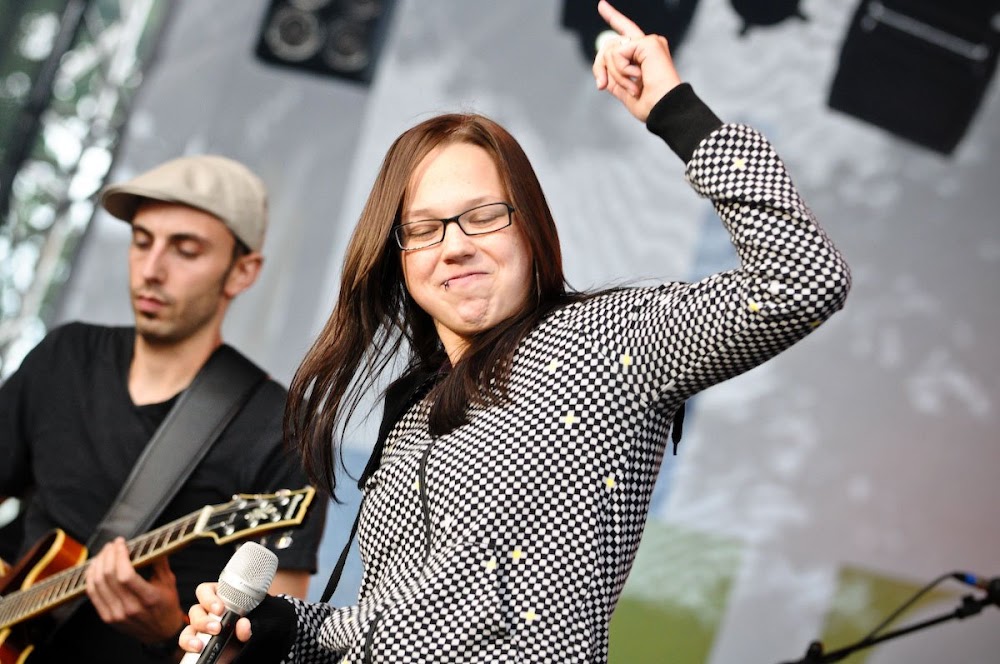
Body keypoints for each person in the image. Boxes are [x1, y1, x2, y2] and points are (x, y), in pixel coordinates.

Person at [181, 1, 852, 661]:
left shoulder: (609, 339)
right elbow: (397, 626)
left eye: (483, 217)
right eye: (425, 228)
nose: (455, 246)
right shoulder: (412, 411)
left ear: (530, 228)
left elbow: (803, 278)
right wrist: (285, 632)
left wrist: (676, 112)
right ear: (399, 258)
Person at [0, 154, 326, 662]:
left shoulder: (284, 430)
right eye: (141, 241)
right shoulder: (66, 356)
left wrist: (168, 632)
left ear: (242, 272)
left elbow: (275, 653)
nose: (151, 271)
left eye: (185, 250)